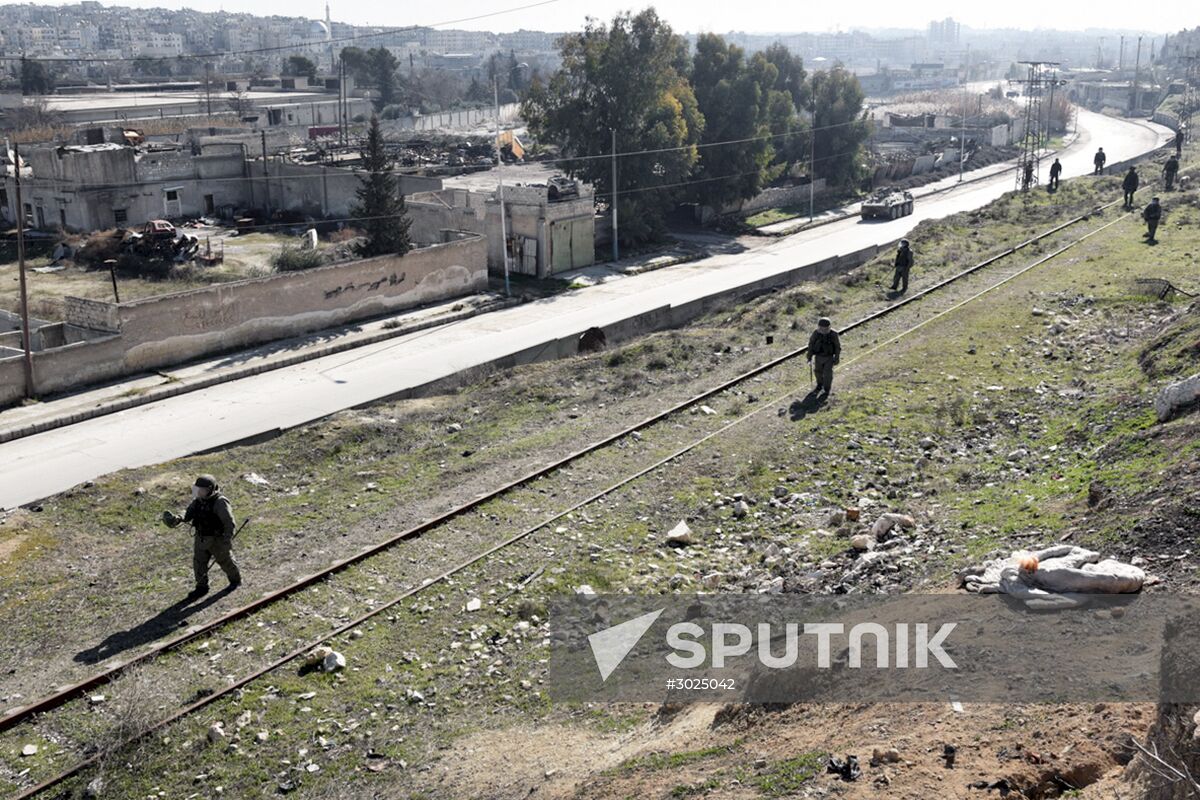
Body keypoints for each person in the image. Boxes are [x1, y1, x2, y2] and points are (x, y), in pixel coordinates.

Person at [163, 475, 241, 598]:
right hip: (201, 538)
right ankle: (201, 587)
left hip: (217, 540)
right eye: (197, 489)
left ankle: (235, 581)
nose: (198, 492)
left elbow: (229, 523)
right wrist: (177, 518)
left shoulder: (220, 502)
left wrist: (227, 540)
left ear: (211, 489)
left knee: (226, 561)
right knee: (198, 564)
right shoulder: (198, 501)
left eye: (202, 490)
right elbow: (188, 513)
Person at [806, 318, 841, 397]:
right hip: (818, 357)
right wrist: (809, 357)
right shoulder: (815, 333)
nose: (823, 330)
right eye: (821, 328)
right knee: (817, 372)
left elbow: (837, 347)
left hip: (829, 357)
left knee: (828, 374)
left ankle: (826, 389)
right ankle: (819, 385)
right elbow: (811, 345)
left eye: (825, 328)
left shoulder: (833, 334)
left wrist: (837, 358)